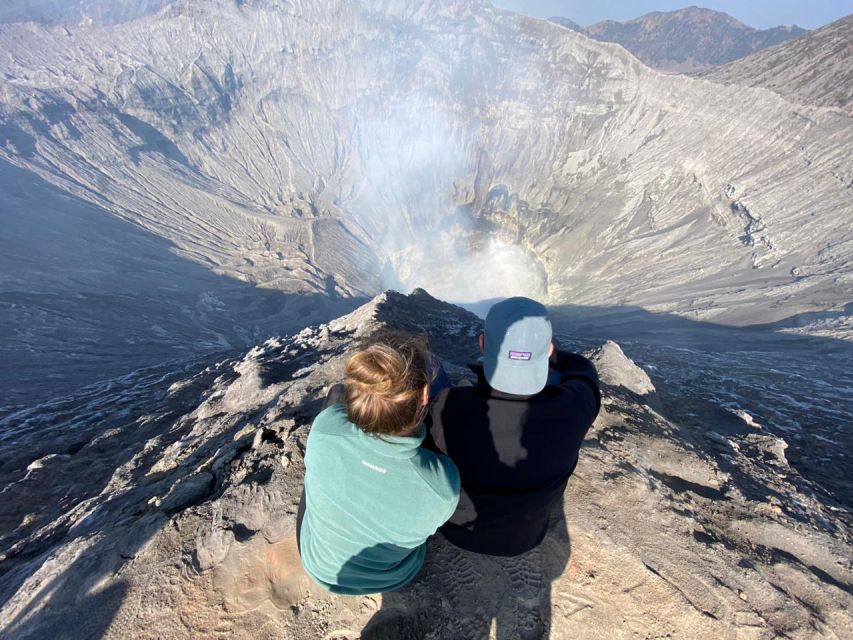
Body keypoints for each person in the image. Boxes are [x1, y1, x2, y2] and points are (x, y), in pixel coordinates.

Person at [426, 297, 601, 557]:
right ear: (550, 350)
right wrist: (543, 354)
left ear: (483, 343)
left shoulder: (448, 406)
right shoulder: (575, 407)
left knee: (428, 363)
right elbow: (583, 372)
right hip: (526, 538)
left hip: (456, 531)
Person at [297, 333, 460, 595]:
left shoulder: (325, 428)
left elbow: (340, 407)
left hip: (320, 568)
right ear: (424, 395)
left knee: (335, 395)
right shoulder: (442, 485)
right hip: (394, 577)